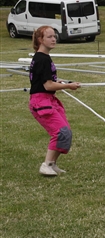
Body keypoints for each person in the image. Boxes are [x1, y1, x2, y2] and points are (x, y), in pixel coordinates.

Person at [28, 25, 81, 176]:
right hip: (41, 101)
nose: (54, 39)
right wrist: (68, 86)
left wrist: (60, 82)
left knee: (66, 132)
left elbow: (47, 80)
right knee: (59, 132)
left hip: (49, 99)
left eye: (54, 36)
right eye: (50, 37)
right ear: (40, 40)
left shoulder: (44, 58)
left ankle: (52, 164)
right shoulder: (41, 59)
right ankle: (46, 165)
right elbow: (48, 85)